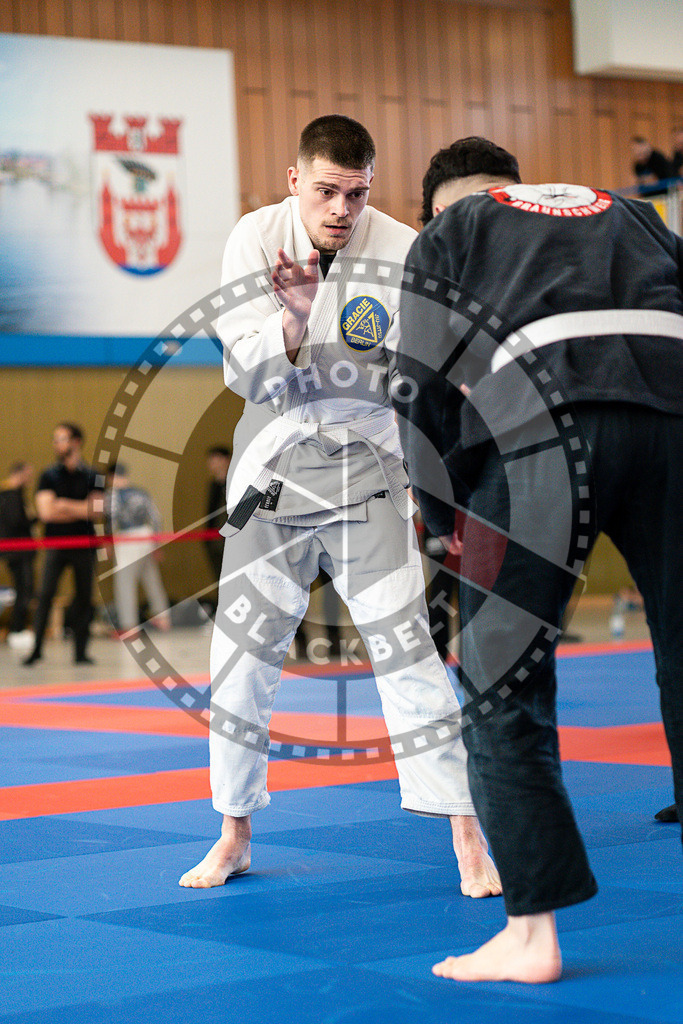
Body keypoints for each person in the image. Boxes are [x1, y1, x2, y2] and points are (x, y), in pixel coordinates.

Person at [179, 115, 501, 898]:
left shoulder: (398, 249)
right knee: (241, 659)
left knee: (408, 650)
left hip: (366, 469)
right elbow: (243, 378)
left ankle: (467, 833)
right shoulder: (254, 240)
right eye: (326, 191)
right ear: (295, 180)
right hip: (277, 469)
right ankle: (233, 833)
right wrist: (290, 318)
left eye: (356, 193)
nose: (341, 209)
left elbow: (425, 372)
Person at [395, 136, 683, 982]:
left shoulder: (448, 233)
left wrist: (439, 516)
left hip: (537, 426)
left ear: (436, 205)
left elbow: (416, 380)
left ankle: (532, 933)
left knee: (500, 680)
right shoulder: (635, 212)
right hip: (673, 413)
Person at [23, 423, 102, 666]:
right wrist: (80, 508)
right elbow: (45, 512)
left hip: (84, 545)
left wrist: (62, 504)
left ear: (76, 441)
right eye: (55, 439)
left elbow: (97, 511)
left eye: (63, 438)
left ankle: (81, 651)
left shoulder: (94, 475)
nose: (58, 444)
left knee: (83, 598)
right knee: (45, 595)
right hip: (56, 544)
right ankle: (36, 649)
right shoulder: (49, 475)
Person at [105, 463, 170, 638]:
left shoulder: (113, 495)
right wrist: (156, 543)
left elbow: (110, 520)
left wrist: (108, 543)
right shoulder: (141, 492)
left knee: (125, 581)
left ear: (111, 477)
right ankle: (162, 617)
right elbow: (156, 517)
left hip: (127, 538)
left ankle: (129, 626)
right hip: (146, 534)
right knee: (151, 577)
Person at [0, 462, 36, 647]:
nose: (30, 478)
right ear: (19, 473)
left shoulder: (8, 494)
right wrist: (32, 518)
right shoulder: (12, 496)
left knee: (23, 589)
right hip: (19, 551)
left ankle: (17, 629)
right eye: (28, 474)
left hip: (14, 550)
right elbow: (16, 522)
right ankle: (17, 629)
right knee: (24, 589)